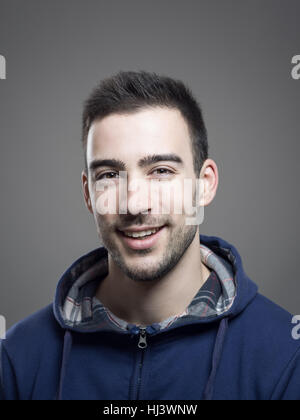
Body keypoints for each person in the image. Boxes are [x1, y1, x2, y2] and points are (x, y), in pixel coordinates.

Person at [0, 71, 299, 401]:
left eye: (161, 171)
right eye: (110, 175)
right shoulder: (15, 361)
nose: (134, 203)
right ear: (88, 194)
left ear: (205, 184)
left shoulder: (287, 357)